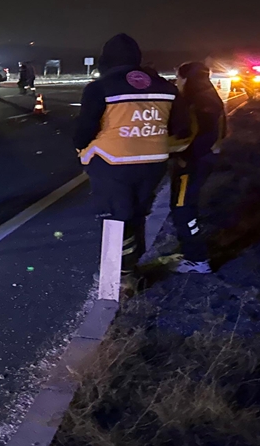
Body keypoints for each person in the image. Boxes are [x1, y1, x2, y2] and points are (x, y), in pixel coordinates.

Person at [74, 33, 186, 285]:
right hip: (154, 163)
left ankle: (118, 277)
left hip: (112, 162)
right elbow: (181, 127)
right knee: (137, 214)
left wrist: (80, 148)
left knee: (116, 218)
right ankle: (132, 266)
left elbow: (84, 131)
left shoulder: (100, 87)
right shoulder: (166, 87)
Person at [166, 61, 227, 275]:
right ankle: (192, 254)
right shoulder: (210, 97)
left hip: (192, 162)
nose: (177, 80)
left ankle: (197, 259)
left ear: (187, 78)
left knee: (183, 209)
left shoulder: (195, 102)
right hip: (204, 159)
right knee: (185, 206)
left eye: (179, 76)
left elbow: (189, 137)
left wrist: (170, 151)